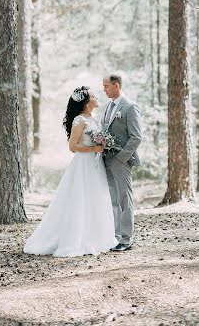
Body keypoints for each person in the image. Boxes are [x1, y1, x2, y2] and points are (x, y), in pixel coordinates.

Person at [23, 86, 117, 257]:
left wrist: (103, 146)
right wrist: (94, 148)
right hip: (84, 164)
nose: (97, 97)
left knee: (96, 197)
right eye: (94, 96)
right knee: (81, 198)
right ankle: (76, 239)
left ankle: (96, 237)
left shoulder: (94, 118)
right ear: (87, 102)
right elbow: (72, 147)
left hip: (96, 165)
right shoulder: (79, 121)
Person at [102, 74, 142, 252]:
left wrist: (121, 158)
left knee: (125, 199)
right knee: (113, 200)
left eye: (106, 86)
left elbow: (136, 137)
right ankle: (115, 237)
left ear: (116, 85)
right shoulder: (107, 106)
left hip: (121, 161)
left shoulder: (130, 107)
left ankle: (126, 239)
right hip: (106, 159)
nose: (104, 90)